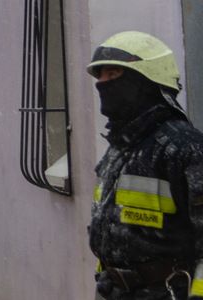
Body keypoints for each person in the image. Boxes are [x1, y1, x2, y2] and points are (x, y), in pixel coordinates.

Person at [86, 31, 203, 299]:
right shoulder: (119, 148)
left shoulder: (184, 148)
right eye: (100, 76)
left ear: (146, 82)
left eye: (113, 74)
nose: (102, 84)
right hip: (113, 290)